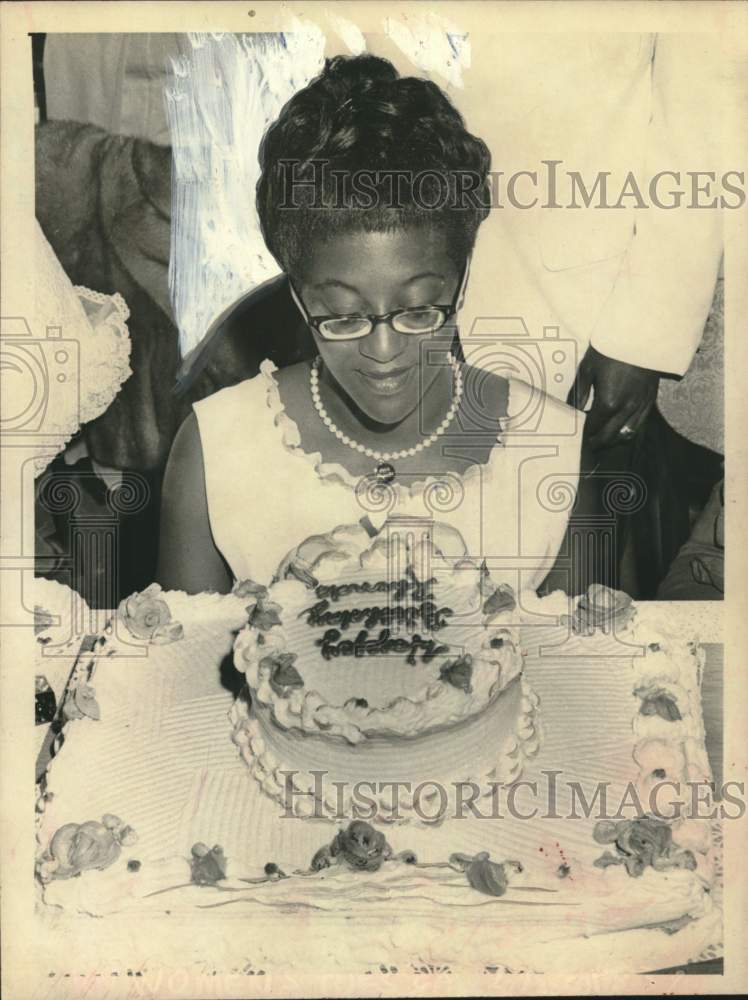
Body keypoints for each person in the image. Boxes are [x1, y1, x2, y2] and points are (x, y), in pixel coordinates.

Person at [157, 55, 598, 597]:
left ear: (460, 282)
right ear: (297, 297)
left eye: (419, 311)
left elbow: (582, 671)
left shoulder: (555, 448)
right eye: (343, 316)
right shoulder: (214, 448)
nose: (384, 350)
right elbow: (181, 671)